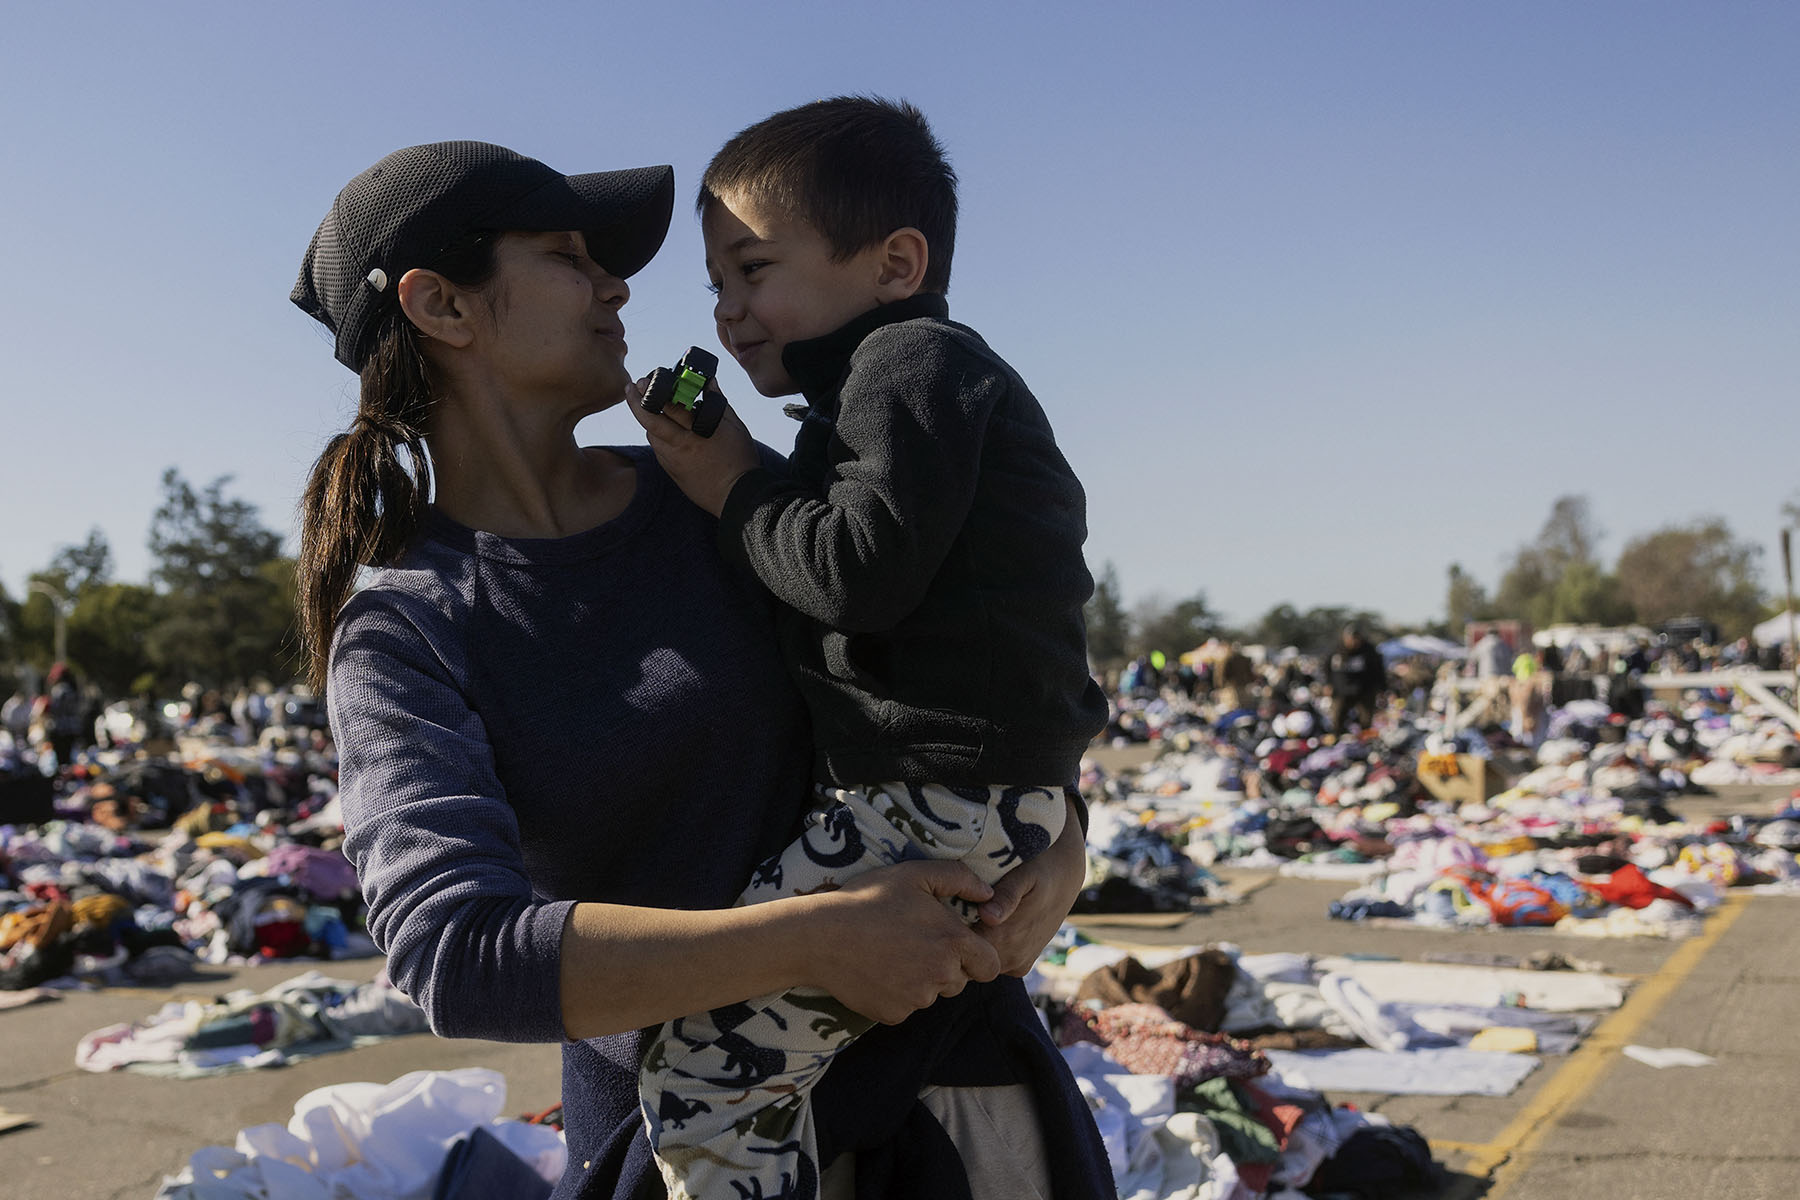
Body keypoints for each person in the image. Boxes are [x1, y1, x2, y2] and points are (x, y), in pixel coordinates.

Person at [289, 140, 1109, 1200]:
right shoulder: (411, 628)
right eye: (566, 255)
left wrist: (1065, 839)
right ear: (442, 305)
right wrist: (810, 939)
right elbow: (459, 955)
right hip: (686, 1141)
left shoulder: (718, 493)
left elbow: (965, 668)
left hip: (953, 1104)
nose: (616, 284)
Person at [627, 97, 1108, 1200]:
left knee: (705, 1073)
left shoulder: (911, 365)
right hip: (971, 804)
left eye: (753, 270)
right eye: (716, 286)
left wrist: (732, 486)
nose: (728, 311)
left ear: (895, 261)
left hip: (929, 805)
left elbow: (856, 575)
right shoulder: (889, 392)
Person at [1327, 625, 1385, 733]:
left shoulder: (1369, 651)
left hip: (1364, 690)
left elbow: (1378, 670)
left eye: (1356, 638)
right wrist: (1328, 684)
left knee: (1366, 719)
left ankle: (1365, 740)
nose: (1353, 642)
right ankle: (1337, 737)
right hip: (1342, 691)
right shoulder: (1337, 650)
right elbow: (1326, 668)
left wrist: (1381, 688)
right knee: (1337, 718)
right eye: (1350, 638)